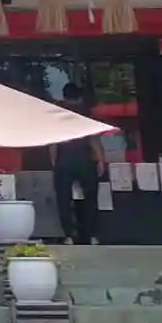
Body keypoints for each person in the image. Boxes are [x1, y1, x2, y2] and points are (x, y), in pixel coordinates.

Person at [52, 85, 106, 245]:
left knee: (63, 199)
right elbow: (94, 139)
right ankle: (90, 234)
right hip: (84, 158)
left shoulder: (59, 113)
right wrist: (101, 160)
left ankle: (69, 235)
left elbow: (54, 141)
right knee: (90, 198)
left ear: (64, 95)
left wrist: (54, 161)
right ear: (80, 96)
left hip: (64, 159)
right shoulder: (86, 112)